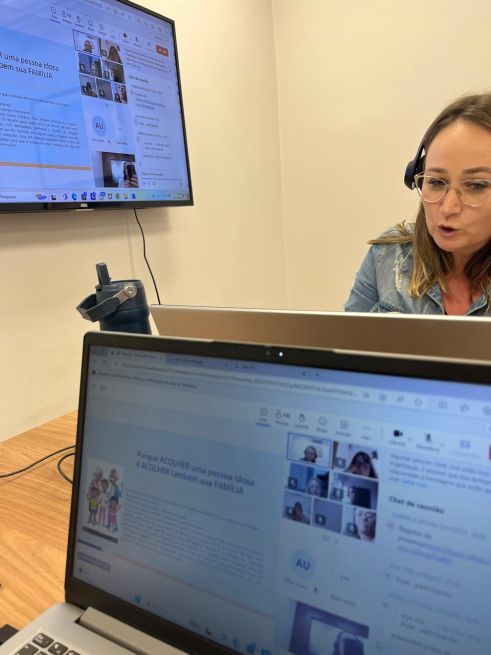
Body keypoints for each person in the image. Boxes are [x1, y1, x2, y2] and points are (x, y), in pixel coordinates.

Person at [344, 92, 491, 315]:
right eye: (436, 182)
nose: (448, 208)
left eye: (476, 185)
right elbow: (345, 335)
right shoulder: (389, 255)